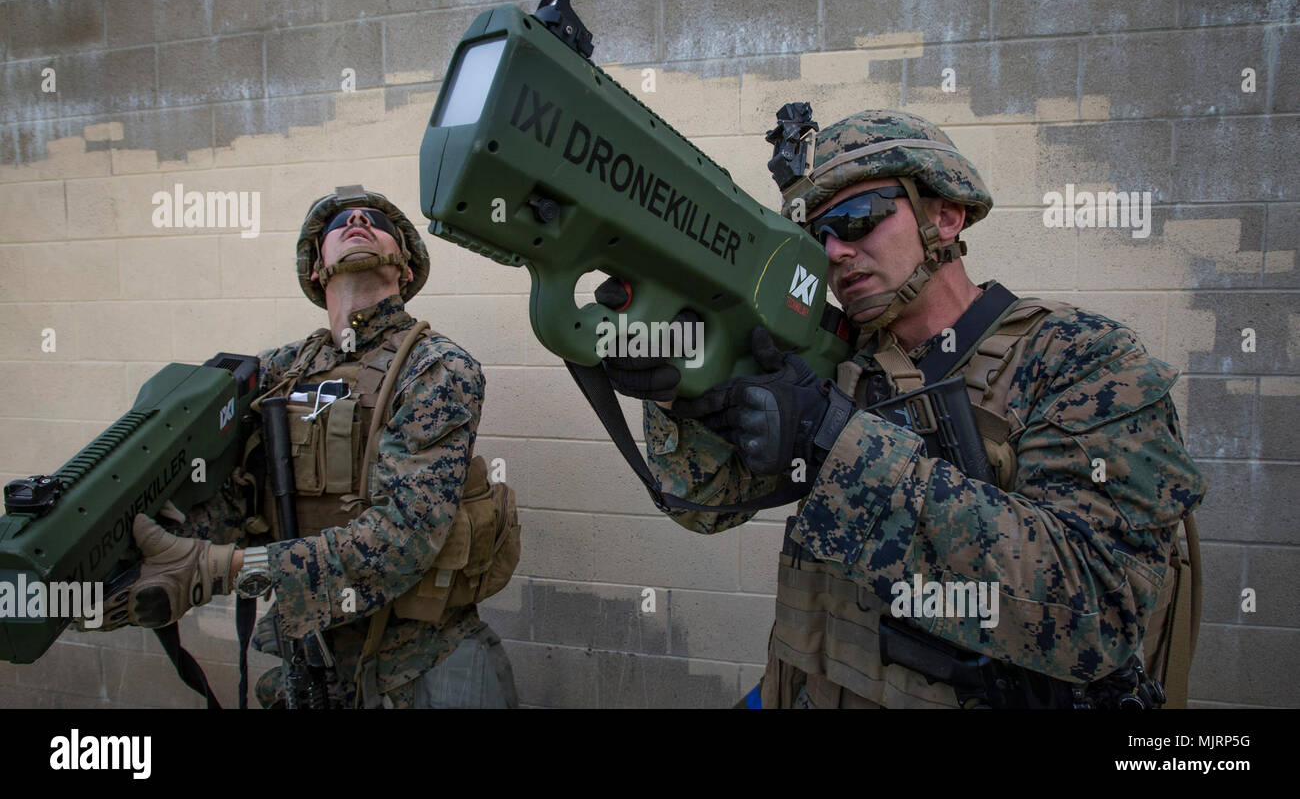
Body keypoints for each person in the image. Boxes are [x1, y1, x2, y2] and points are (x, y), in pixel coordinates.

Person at [602, 110, 1207, 708]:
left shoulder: (1082, 360)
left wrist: (831, 439)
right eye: (817, 236)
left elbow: (1098, 611)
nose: (836, 251)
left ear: (944, 215)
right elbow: (705, 509)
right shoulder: (834, 362)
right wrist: (680, 392)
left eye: (857, 219)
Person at [96, 185, 520, 709]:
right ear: (317, 270)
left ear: (405, 270)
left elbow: (402, 538)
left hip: (426, 669)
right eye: (339, 221)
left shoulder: (435, 366)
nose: (358, 219)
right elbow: (233, 499)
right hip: (311, 663)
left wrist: (221, 568)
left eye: (376, 220)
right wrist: (139, 560)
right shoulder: (276, 372)